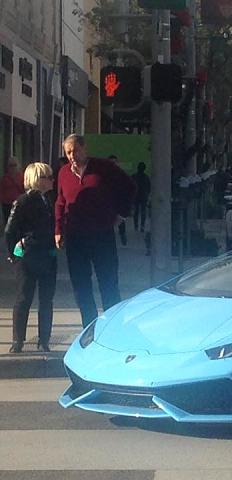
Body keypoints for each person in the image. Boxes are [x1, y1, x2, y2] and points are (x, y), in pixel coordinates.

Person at [55, 134, 136, 327]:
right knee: (81, 286)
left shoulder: (104, 168)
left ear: (84, 148)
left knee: (108, 284)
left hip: (101, 235)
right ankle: (89, 328)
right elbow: (60, 202)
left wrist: (122, 213)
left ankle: (113, 328)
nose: (72, 156)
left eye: (74, 150)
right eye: (68, 152)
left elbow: (130, 187)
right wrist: (58, 228)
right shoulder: (64, 173)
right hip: (75, 237)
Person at [4, 163, 57, 353]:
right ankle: (19, 340)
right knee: (25, 298)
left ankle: (43, 339)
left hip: (47, 254)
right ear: (38, 179)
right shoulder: (23, 201)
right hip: (30, 255)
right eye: (48, 177)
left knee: (45, 299)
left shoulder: (48, 200)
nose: (52, 180)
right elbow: (10, 231)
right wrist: (14, 254)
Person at [108, 154, 128, 246]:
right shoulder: (104, 174)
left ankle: (122, 234)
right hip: (108, 200)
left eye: (114, 163)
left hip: (118, 200)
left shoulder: (121, 174)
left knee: (120, 219)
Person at [1, 158, 25, 225]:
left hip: (18, 204)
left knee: (18, 222)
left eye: (14, 165)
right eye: (11, 165)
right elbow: (2, 191)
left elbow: (24, 190)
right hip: (7, 205)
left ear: (18, 166)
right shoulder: (5, 178)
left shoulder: (21, 177)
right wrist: (3, 200)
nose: (13, 168)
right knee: (8, 222)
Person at [131, 162, 151, 232]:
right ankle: (142, 226)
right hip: (143, 196)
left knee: (136, 212)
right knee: (143, 212)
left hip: (136, 196)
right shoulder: (146, 177)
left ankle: (136, 226)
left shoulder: (134, 176)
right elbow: (149, 188)